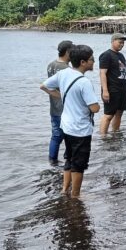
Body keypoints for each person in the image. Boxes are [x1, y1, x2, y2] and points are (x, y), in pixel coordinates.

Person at [40, 45, 100, 198]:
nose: (94, 62)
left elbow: (43, 86)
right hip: (81, 129)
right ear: (83, 62)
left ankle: (64, 190)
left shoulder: (64, 73)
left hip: (66, 126)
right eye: (91, 59)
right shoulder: (84, 82)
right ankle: (76, 195)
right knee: (79, 165)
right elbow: (94, 108)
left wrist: (59, 96)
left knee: (69, 159)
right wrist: (97, 105)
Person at [46, 40, 72, 164]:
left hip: (54, 107)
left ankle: (52, 161)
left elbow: (48, 86)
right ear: (67, 52)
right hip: (65, 108)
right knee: (68, 136)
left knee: (56, 135)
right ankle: (68, 161)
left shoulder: (51, 65)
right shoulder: (66, 69)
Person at [99, 33, 126, 136]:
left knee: (119, 113)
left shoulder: (121, 56)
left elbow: (123, 73)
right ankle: (103, 137)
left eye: (123, 43)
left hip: (122, 89)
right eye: (120, 42)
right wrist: (105, 90)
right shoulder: (106, 55)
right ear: (113, 41)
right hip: (112, 89)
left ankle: (116, 134)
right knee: (108, 115)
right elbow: (102, 73)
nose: (122, 44)